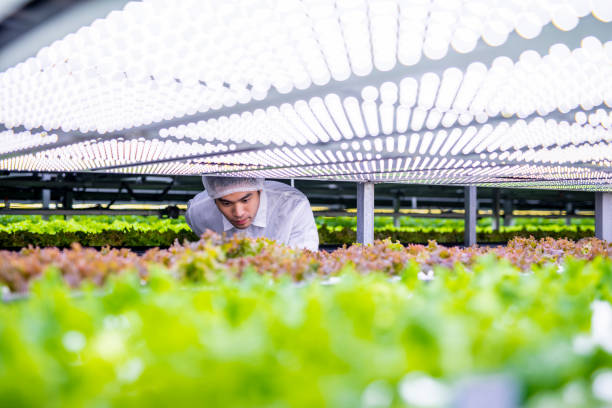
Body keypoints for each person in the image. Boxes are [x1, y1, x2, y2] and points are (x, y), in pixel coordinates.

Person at [185, 176, 319, 251]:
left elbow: (305, 263)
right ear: (214, 200)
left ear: (260, 190)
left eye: (245, 200)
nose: (238, 213)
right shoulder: (198, 213)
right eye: (226, 203)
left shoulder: (293, 206)